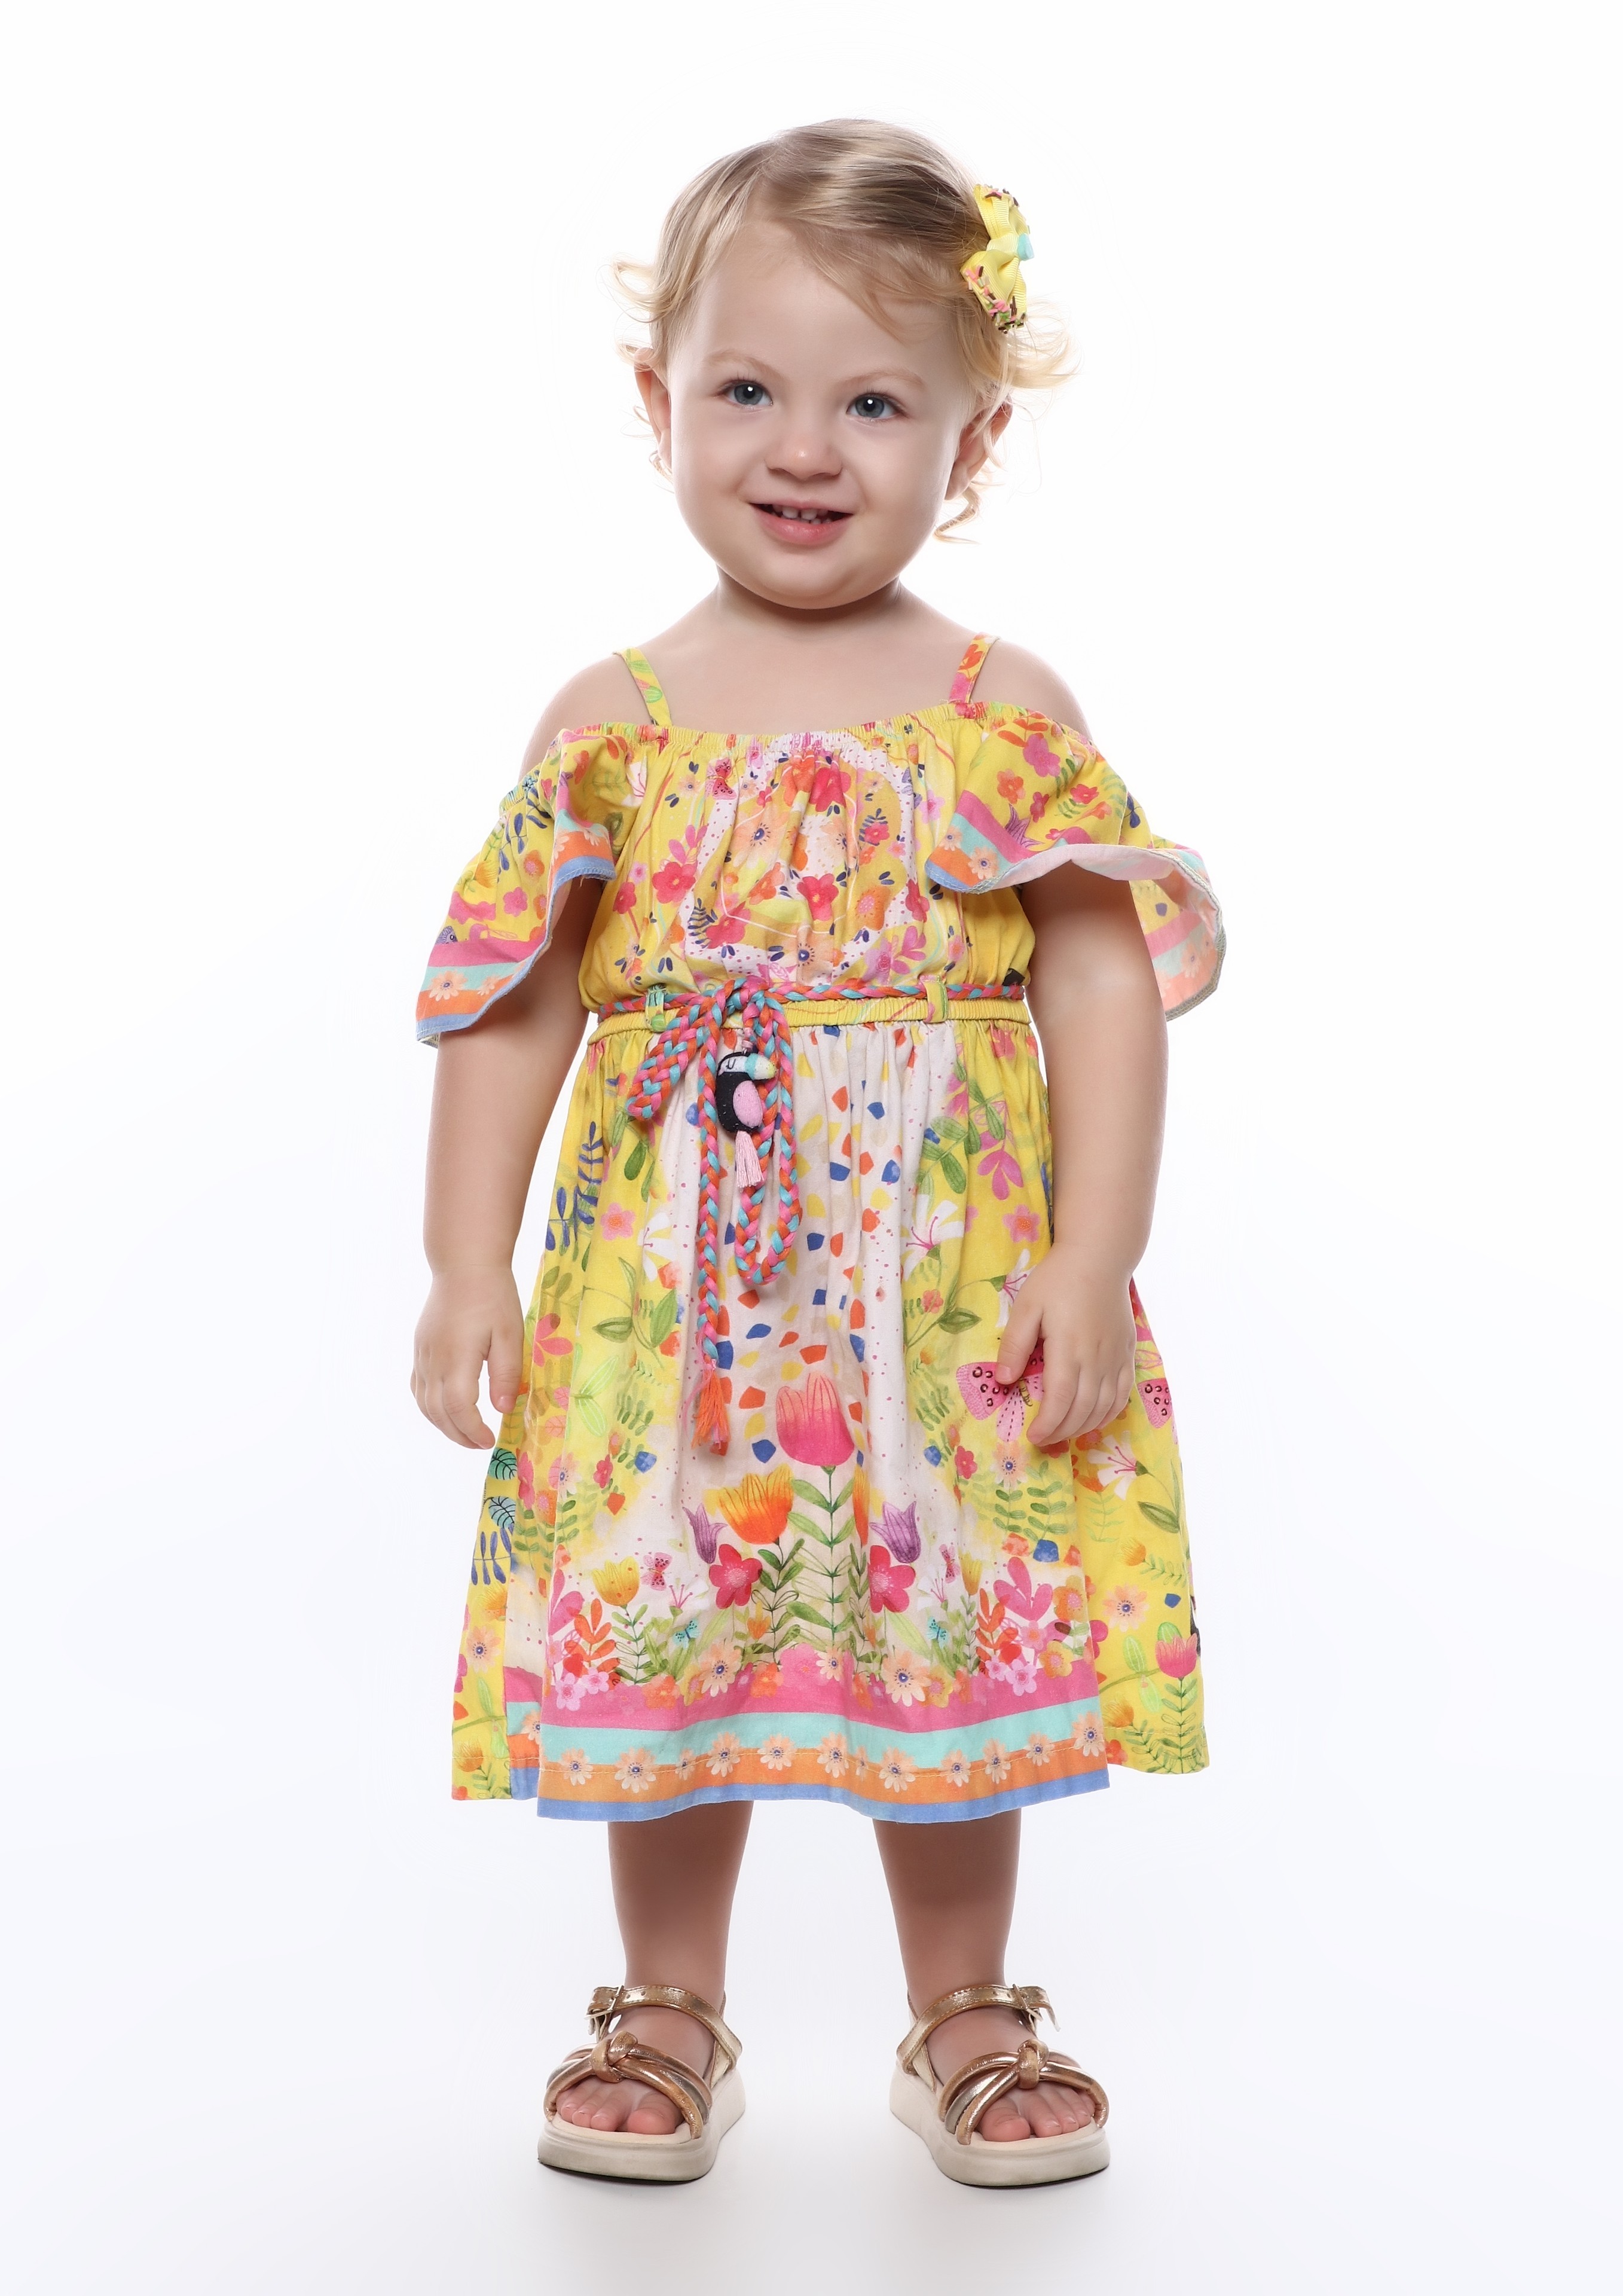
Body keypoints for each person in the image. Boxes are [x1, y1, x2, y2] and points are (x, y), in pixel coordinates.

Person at [412, 120, 1222, 2188]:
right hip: (670, 1296)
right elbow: (515, 1000)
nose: (803, 449)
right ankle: (668, 1999)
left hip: (934, 1286)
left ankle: (961, 2007)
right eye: (748, 390)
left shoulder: (992, 702)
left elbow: (1097, 977)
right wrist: (465, 1263)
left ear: (971, 443)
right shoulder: (609, 719)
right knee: (671, 1610)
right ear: (657, 401)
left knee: (940, 1609)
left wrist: (1091, 1256)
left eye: (873, 405)